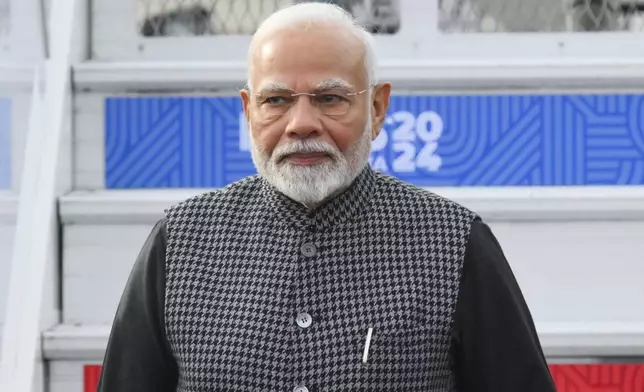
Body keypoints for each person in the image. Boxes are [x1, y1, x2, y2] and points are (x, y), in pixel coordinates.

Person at [97, 3, 557, 391]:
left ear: (377, 108)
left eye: (330, 98)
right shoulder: (179, 243)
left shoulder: (453, 243)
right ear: (247, 110)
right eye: (275, 100)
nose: (301, 123)